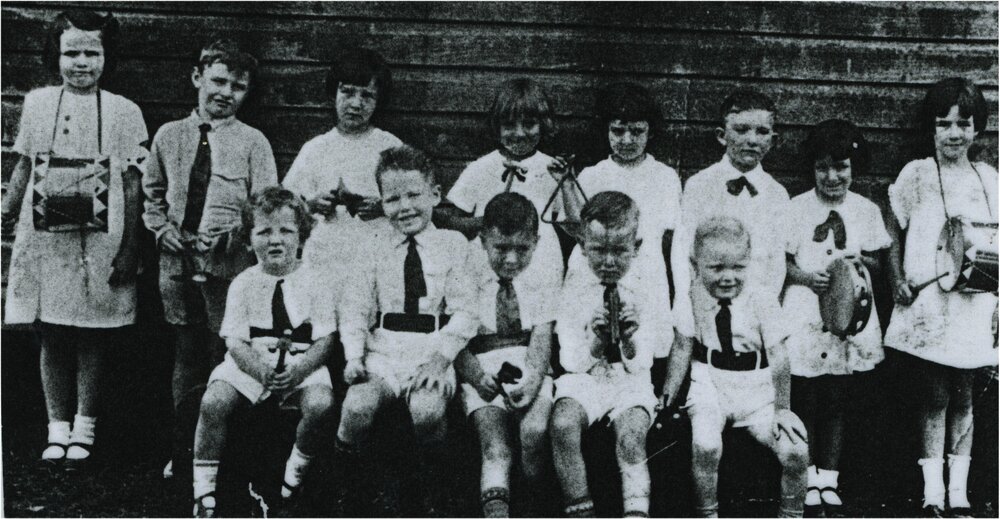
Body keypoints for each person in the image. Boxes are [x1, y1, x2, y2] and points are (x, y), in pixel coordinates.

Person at [1, 8, 148, 469]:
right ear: (55, 56)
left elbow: (132, 181)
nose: (81, 62)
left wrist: (130, 246)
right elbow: (24, 161)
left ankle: (85, 426)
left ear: (107, 56)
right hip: (48, 234)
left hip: (104, 235)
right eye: (71, 52)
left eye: (92, 52)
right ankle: (55, 427)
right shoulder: (39, 103)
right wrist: (8, 207)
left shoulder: (124, 111)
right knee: (53, 329)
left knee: (92, 331)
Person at [142, 39, 278, 478]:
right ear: (198, 78)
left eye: (237, 86)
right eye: (217, 80)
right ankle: (183, 446)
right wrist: (163, 230)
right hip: (177, 264)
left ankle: (226, 447)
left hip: (228, 268)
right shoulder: (169, 136)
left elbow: (265, 206)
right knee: (186, 351)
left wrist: (237, 236)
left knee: (229, 350)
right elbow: (152, 194)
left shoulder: (254, 143)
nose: (225, 92)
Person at [335, 145, 479, 514]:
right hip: (383, 349)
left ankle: (435, 487)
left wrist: (439, 359)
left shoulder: (453, 245)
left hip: (430, 347)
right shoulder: (372, 243)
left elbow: (466, 313)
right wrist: (354, 356)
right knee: (356, 407)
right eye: (393, 198)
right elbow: (355, 307)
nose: (404, 207)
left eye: (414, 195)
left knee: (427, 411)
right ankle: (349, 487)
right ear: (381, 202)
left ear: (435, 193)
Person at [883, 78, 998, 518]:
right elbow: (894, 232)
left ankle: (959, 493)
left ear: (977, 129)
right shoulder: (917, 174)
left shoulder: (988, 179)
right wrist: (895, 278)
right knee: (933, 394)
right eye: (943, 124)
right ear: (930, 129)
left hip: (974, 304)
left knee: (967, 393)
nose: (954, 133)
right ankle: (932, 492)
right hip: (930, 303)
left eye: (963, 124)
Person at [191, 187, 336, 518]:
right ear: (248, 240)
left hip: (302, 360)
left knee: (320, 404)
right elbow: (235, 340)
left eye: (286, 231)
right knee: (213, 402)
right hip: (252, 360)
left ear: (302, 236)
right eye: (264, 232)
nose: (276, 240)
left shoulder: (316, 281)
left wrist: (300, 372)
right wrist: (258, 371)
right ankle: (204, 488)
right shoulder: (243, 283)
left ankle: (293, 476)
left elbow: (325, 339)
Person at [783, 120, 890, 516]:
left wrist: (860, 262)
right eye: (823, 168)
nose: (832, 176)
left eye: (841, 167)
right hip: (806, 311)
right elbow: (784, 262)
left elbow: (878, 262)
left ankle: (830, 476)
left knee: (837, 397)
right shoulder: (795, 208)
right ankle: (807, 474)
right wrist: (807, 277)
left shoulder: (866, 209)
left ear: (854, 167)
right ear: (812, 169)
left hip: (851, 314)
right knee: (807, 393)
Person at [668, 217, 809, 518]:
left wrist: (782, 408)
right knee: (705, 446)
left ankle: (792, 514)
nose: (728, 277)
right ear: (696, 264)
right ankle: (708, 514)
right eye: (717, 268)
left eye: (738, 267)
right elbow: (682, 347)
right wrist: (667, 395)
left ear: (749, 262)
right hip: (710, 384)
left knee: (796, 451)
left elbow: (779, 357)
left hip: (758, 390)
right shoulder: (690, 294)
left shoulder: (762, 297)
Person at [550, 192, 673, 518]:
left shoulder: (644, 286)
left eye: (619, 250)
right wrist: (596, 341)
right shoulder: (576, 284)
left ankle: (636, 512)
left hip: (629, 380)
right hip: (585, 377)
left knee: (631, 439)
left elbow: (644, 362)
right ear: (583, 246)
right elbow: (570, 362)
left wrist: (629, 339)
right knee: (563, 424)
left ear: (636, 246)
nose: (608, 261)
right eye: (598, 250)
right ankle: (580, 507)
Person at [453, 192, 562, 517]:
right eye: (501, 248)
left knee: (533, 432)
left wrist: (532, 383)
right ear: (484, 239)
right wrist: (475, 375)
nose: (512, 259)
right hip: (482, 368)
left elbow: (542, 337)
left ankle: (533, 501)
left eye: (522, 249)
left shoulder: (542, 279)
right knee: (495, 447)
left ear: (536, 243)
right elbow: (454, 337)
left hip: (531, 367)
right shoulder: (465, 275)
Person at [572, 81, 681, 361]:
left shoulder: (665, 176)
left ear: (650, 131)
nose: (627, 139)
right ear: (606, 130)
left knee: (643, 340)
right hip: (601, 267)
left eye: (637, 131)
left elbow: (669, 235)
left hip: (647, 268)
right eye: (618, 131)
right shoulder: (591, 175)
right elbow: (577, 226)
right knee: (595, 337)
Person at [282, 47, 403, 285]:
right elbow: (287, 205)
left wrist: (383, 207)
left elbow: (409, 200)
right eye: (347, 93)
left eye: (367, 96)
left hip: (378, 253)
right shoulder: (315, 148)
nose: (356, 104)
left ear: (379, 101)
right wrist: (312, 205)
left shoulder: (389, 146)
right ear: (333, 94)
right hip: (326, 256)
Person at [671, 89, 789, 304]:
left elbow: (776, 264)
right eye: (741, 130)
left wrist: (765, 308)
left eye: (762, 132)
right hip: (706, 301)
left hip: (756, 306)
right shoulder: (699, 185)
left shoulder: (777, 194)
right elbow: (683, 251)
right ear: (722, 135)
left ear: (773, 140)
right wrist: (685, 304)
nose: (752, 140)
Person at [437, 78, 570, 269]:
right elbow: (454, 223)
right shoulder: (480, 168)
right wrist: (489, 221)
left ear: (543, 124)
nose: (520, 133)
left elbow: (570, 224)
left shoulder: (552, 168)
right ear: (497, 128)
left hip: (540, 263)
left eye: (529, 124)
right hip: (488, 262)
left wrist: (566, 182)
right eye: (509, 125)